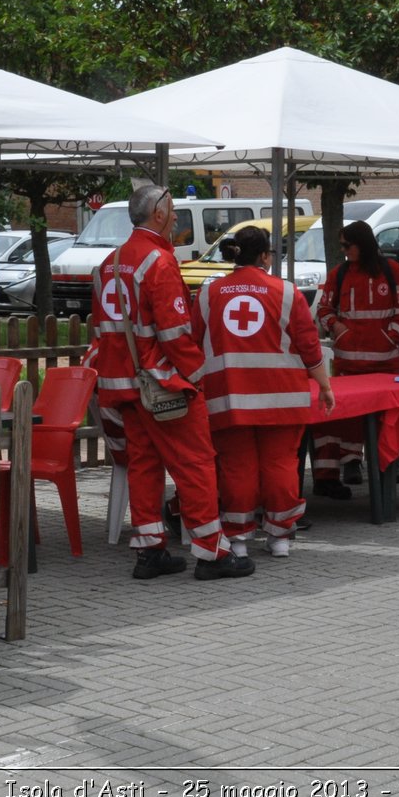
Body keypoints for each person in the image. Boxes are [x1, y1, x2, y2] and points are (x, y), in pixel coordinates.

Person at [89, 183, 254, 581]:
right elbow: (176, 334)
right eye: (174, 210)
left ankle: (150, 551)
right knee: (195, 464)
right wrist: (197, 378)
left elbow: (102, 329)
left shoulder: (110, 263)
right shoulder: (158, 263)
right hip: (162, 384)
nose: (178, 217)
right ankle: (212, 553)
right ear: (158, 214)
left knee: (143, 466)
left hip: (123, 385)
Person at [195, 226, 334, 558]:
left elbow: (192, 342)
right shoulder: (286, 292)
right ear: (265, 256)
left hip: (229, 397)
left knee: (236, 466)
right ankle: (280, 537)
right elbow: (309, 345)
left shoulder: (208, 294)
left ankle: (239, 539)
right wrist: (325, 385)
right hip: (282, 399)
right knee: (280, 465)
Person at [312, 220, 399, 498]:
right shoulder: (339, 274)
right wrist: (338, 328)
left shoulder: (392, 272)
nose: (344, 251)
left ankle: (389, 464)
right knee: (346, 420)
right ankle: (350, 464)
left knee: (387, 419)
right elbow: (324, 309)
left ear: (363, 244)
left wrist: (391, 336)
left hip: (386, 364)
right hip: (349, 364)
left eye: (348, 245)